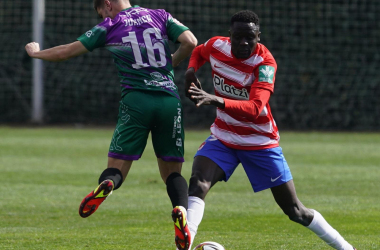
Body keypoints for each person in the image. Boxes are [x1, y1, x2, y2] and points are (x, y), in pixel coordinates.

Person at [25, 1, 197, 249]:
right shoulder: (159, 15)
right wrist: (173, 61)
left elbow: (64, 52)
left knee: (117, 168)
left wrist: (36, 53)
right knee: (172, 173)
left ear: (106, 5)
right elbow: (190, 41)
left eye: (101, 11)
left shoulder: (110, 25)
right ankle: (180, 209)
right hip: (169, 100)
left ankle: (108, 185)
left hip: (136, 101)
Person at [183, 10, 356, 250]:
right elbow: (199, 52)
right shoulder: (216, 45)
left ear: (258, 37)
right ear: (229, 35)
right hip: (223, 136)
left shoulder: (264, 63)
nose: (244, 42)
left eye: (250, 37)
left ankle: (347, 248)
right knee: (198, 182)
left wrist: (217, 100)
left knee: (295, 211)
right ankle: (186, 241)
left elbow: (255, 108)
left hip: (260, 142)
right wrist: (191, 71)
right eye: (238, 37)